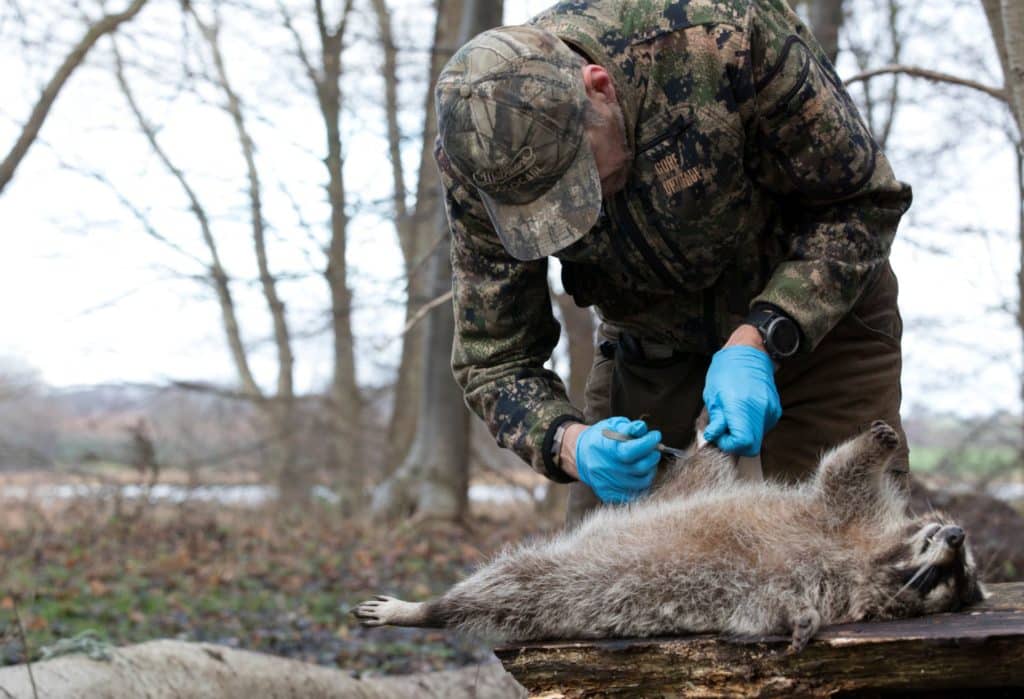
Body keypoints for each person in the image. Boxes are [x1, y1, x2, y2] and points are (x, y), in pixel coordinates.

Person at [434, 0, 913, 524]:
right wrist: (569, 443)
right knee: (601, 573)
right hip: (649, 343)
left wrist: (763, 336)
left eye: (576, 175)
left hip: (821, 314)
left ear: (599, 87)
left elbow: (862, 203)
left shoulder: (722, 36)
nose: (569, 210)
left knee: (853, 546)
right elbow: (496, 359)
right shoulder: (480, 163)